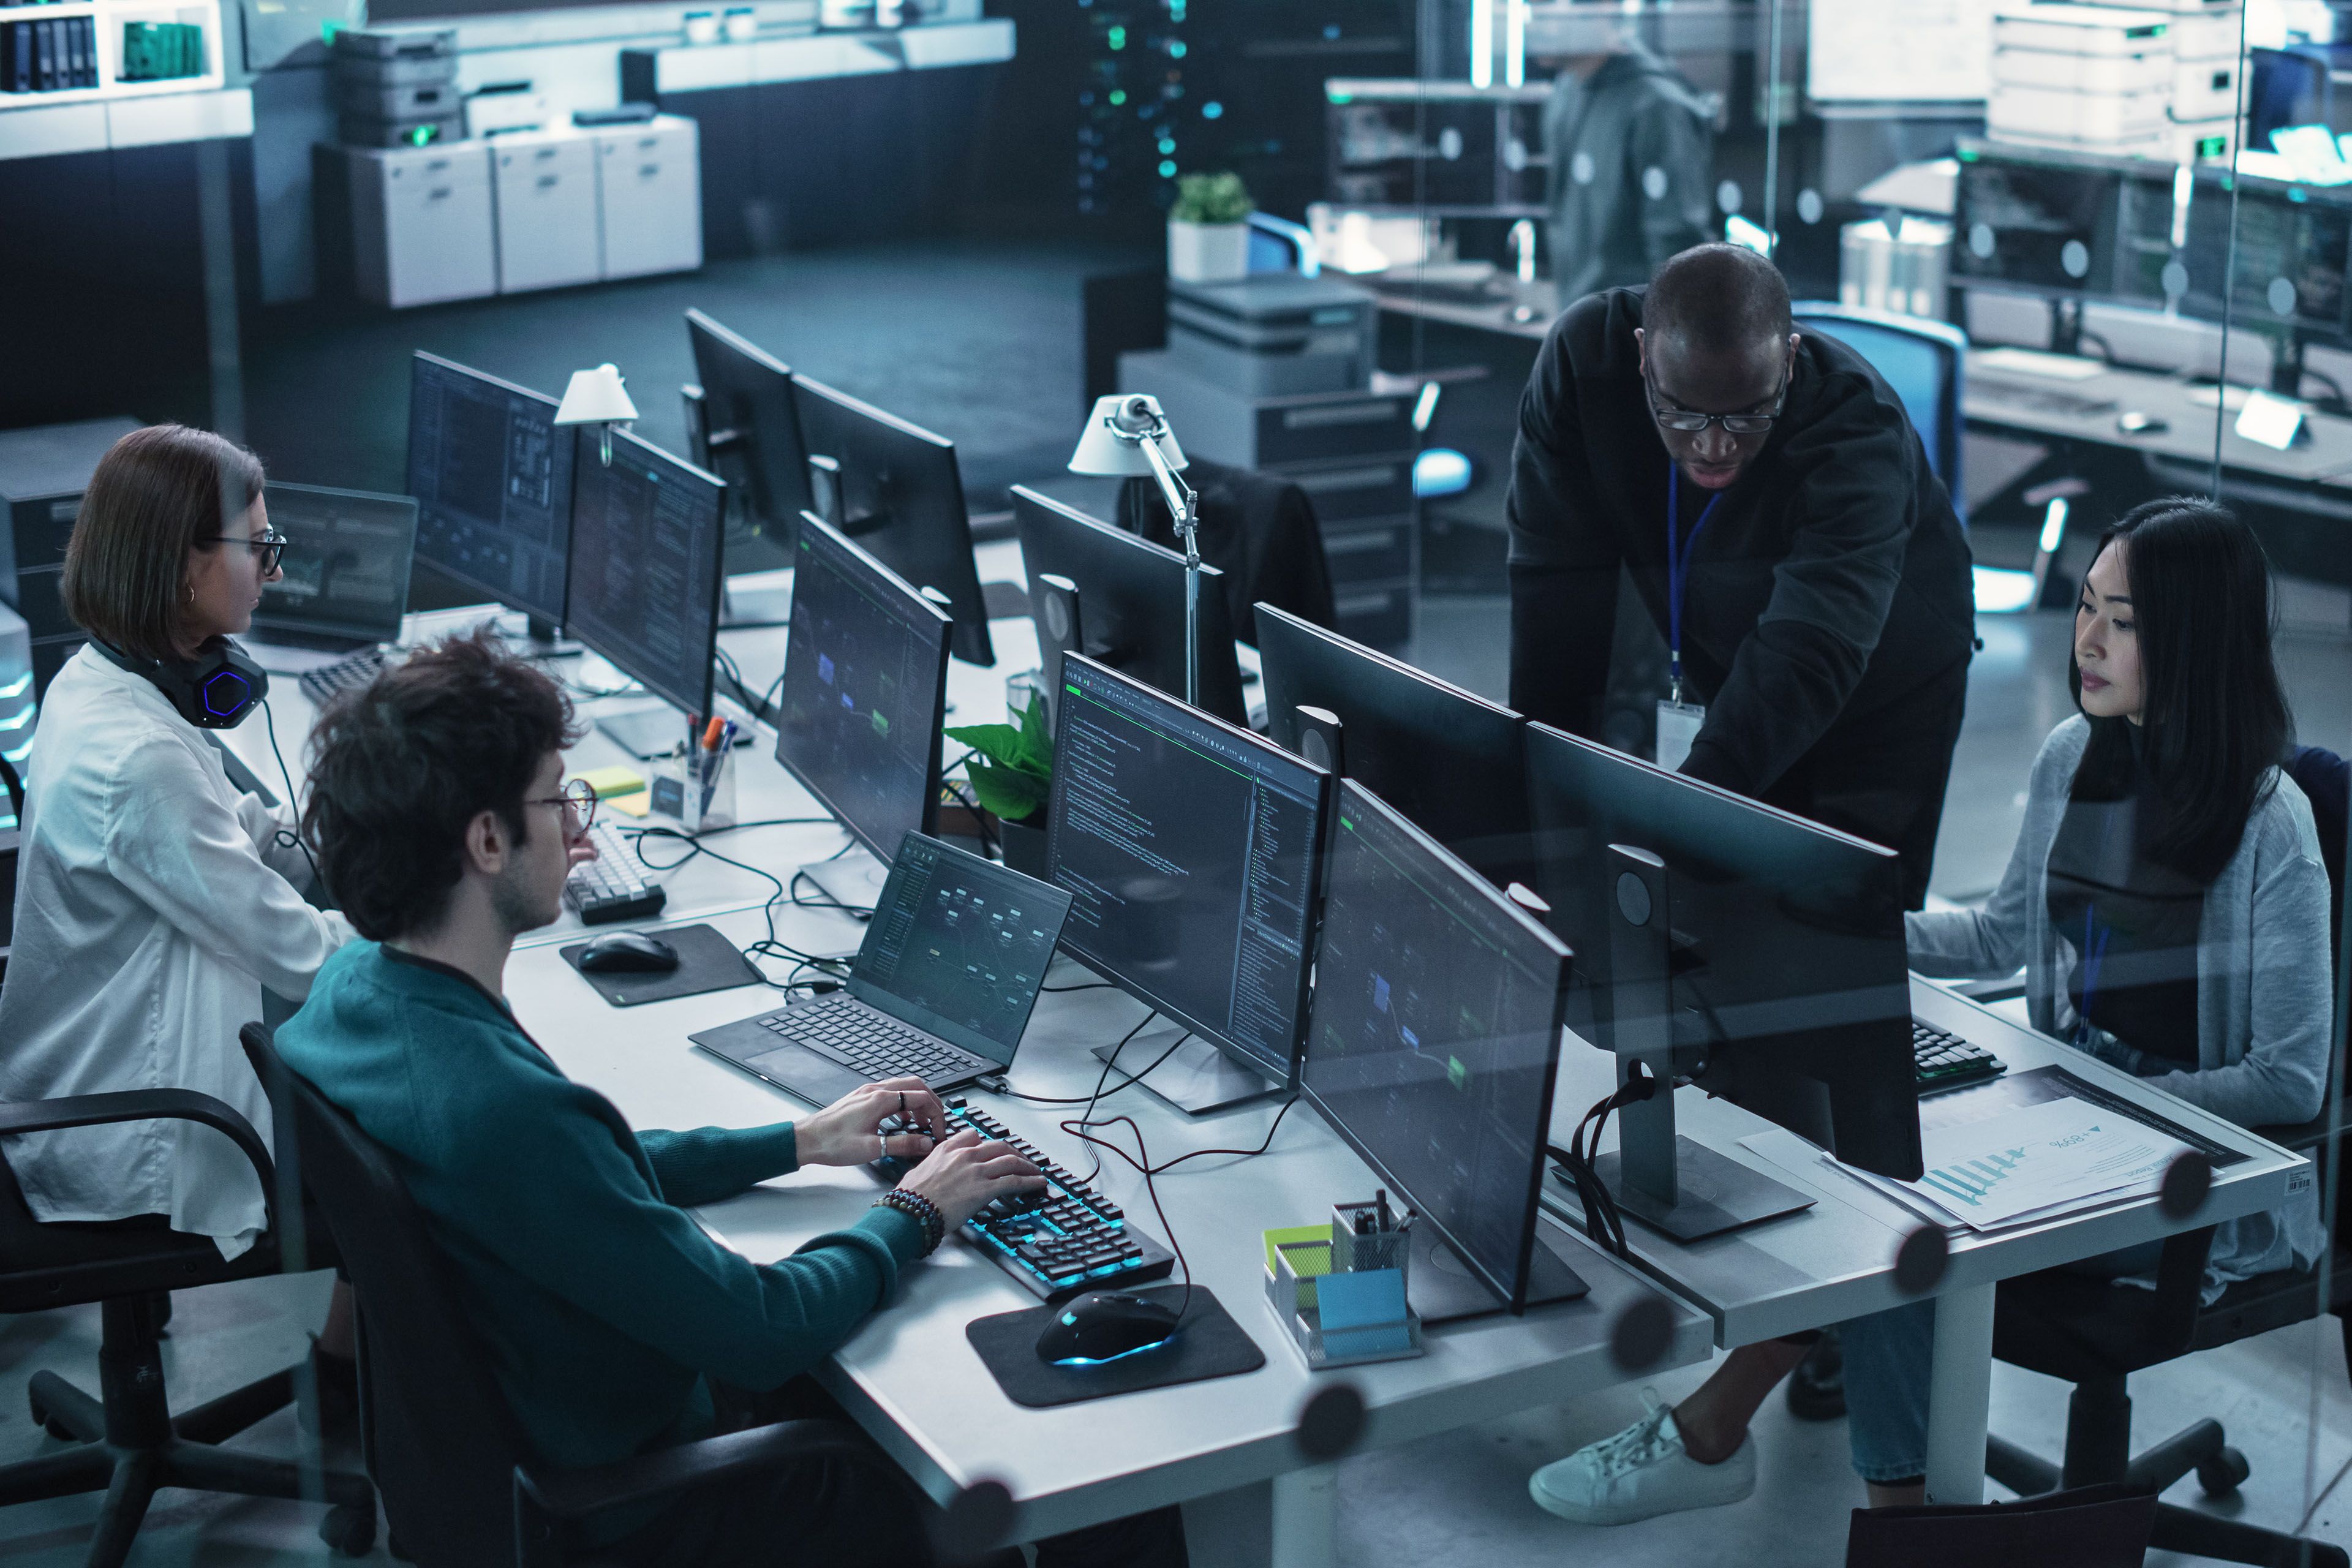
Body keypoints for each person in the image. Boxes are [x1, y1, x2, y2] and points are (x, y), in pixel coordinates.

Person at [276, 632, 1187, 1568]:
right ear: (485, 840)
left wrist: (798, 1139)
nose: (580, 830)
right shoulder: (497, 1109)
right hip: (654, 1509)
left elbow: (583, 1179)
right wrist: (916, 1211)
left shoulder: (359, 993)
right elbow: (761, 1329)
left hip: (536, 1453)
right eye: (557, 798)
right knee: (1095, 1455)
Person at [1527, 497, 2331, 1526]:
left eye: (2123, 622)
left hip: (2191, 1181)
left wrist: (2110, 1097)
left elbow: (2290, 1077)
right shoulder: (2073, 760)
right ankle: (1824, 1488)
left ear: (2198, 642)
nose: (2085, 640)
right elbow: (2001, 936)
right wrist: (1828, 926)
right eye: (2084, 606)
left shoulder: (2275, 825)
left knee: (1908, 1231)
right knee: (1867, 1163)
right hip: (2065, 1117)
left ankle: (1758, 1457)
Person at [0, 424, 360, 1381]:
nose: (272, 573)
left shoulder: (104, 676)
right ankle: (357, 1379)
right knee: (426, 1122)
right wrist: (451, 915)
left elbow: (226, 826)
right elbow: (305, 957)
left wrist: (327, 844)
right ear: (183, 563)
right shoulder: (141, 759)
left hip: (73, 1066)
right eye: (260, 548)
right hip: (151, 1120)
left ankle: (350, 1359)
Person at [1507, 242, 1977, 909]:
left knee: (1832, 919)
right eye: (1681, 412)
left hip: (1882, 679)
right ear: (1643, 355)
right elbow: (1552, 596)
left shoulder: (1856, 428)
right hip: (1727, 634)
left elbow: (1809, 654)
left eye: (1750, 412)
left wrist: (1675, 820)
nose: (1715, 444)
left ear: (1787, 360)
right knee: (1703, 894)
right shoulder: (1584, 361)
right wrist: (1533, 826)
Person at [1539, 31, 1715, 301]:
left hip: (1631, 329)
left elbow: (1680, 249)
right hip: (1585, 322)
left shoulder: (1656, 104)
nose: (1534, 18)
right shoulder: (1566, 92)